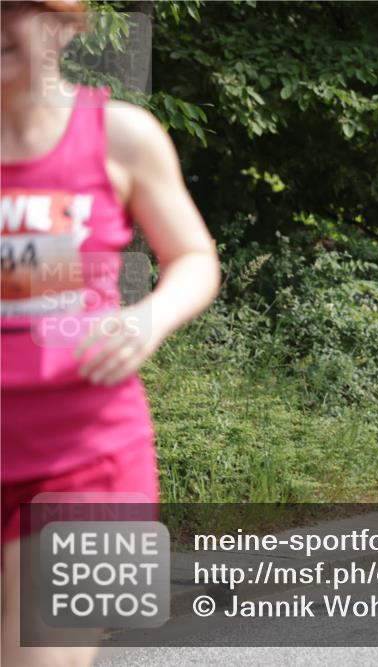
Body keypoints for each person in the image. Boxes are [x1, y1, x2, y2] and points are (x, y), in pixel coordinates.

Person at [1, 1, 220, 664]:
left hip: (88, 457)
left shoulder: (121, 135)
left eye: (15, 6)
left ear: (68, 24)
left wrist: (148, 316)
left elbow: (194, 258)